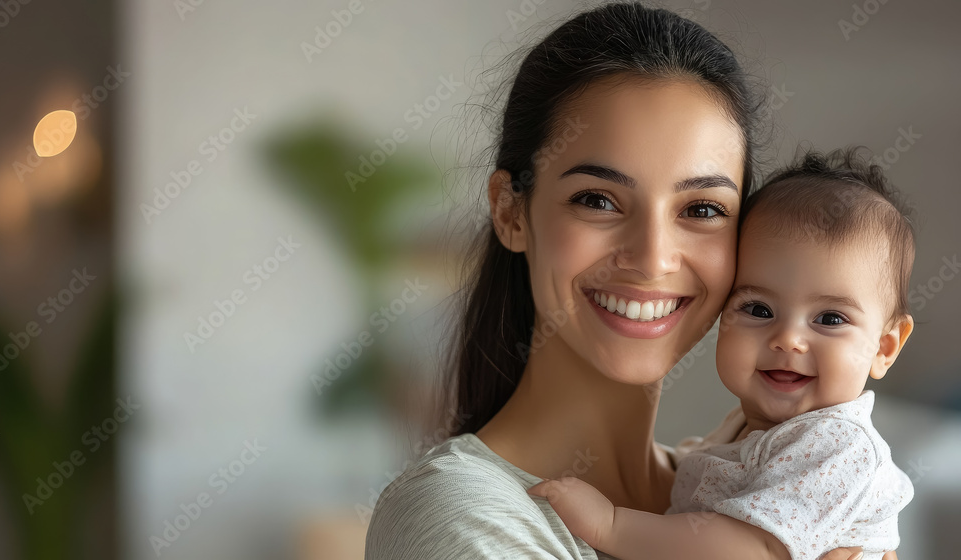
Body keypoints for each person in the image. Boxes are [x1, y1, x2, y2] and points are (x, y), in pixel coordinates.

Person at [365, 3, 893, 559]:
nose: (652, 258)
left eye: (703, 209)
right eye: (598, 200)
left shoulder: (741, 494)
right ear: (510, 212)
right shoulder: (462, 518)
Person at [528, 148, 915, 560]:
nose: (788, 340)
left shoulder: (838, 444)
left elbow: (751, 550)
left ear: (884, 347)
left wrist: (611, 526)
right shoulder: (751, 427)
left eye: (831, 319)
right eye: (758, 310)